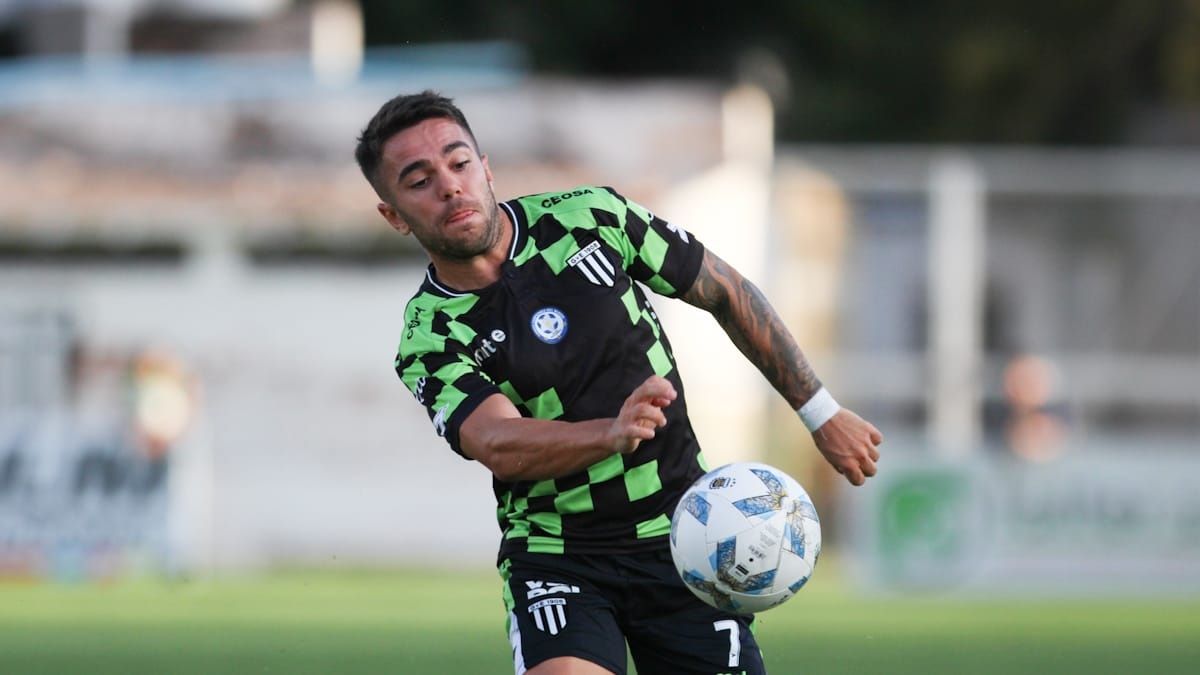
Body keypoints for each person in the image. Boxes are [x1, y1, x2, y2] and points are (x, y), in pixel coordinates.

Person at [354, 91, 883, 675]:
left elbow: (726, 291)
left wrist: (820, 411)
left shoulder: (590, 216)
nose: (449, 186)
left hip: (688, 535)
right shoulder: (429, 334)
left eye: (458, 163)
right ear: (395, 216)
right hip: (558, 554)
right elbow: (498, 443)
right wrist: (610, 433)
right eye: (418, 180)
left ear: (486, 169)